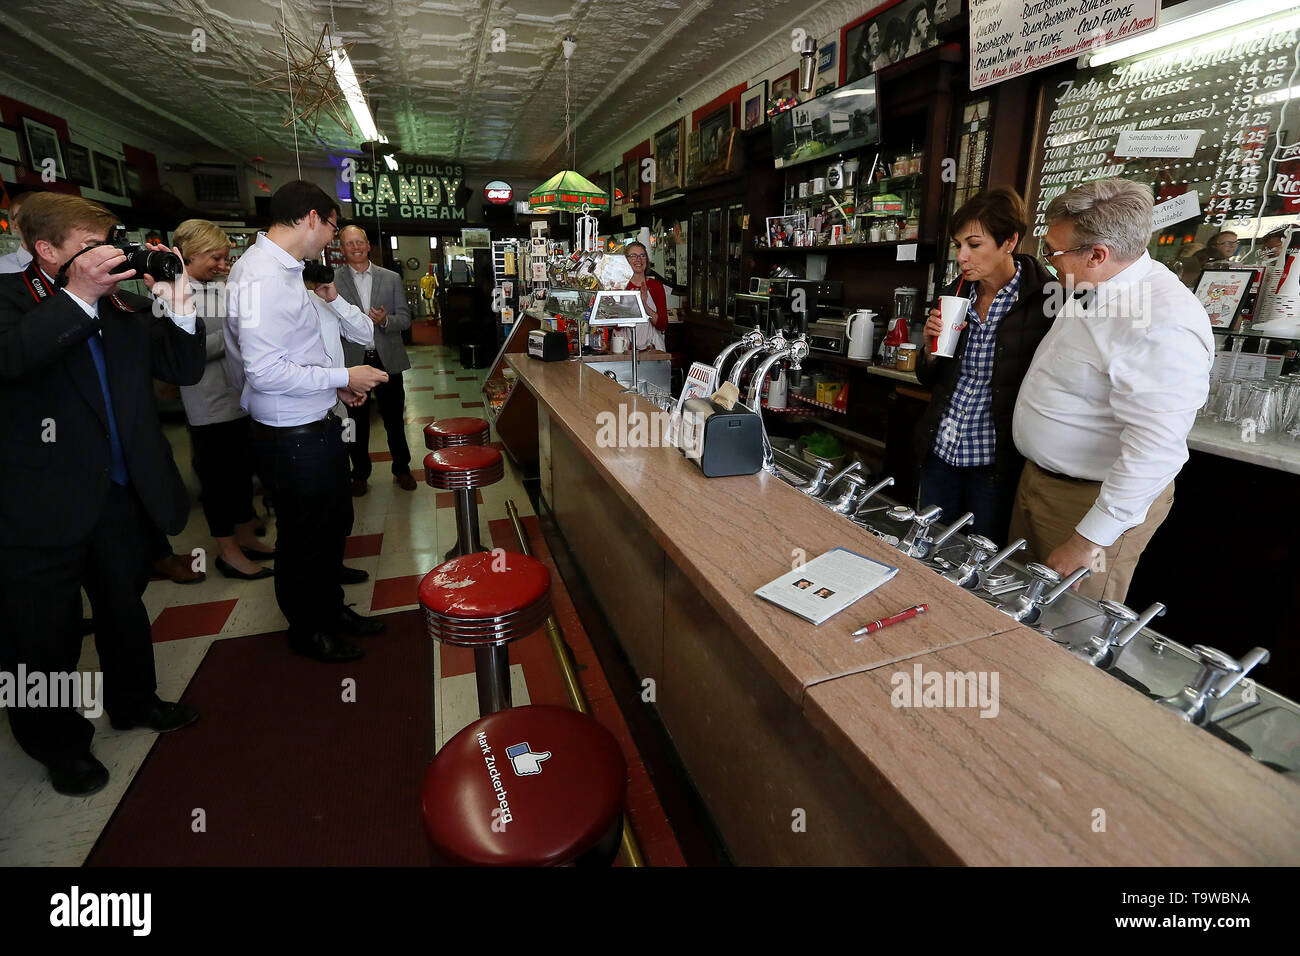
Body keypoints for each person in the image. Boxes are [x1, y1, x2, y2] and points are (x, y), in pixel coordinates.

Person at [0, 193, 205, 795]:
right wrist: (78, 296)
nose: (107, 254)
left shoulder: (120, 302)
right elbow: (14, 360)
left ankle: (135, 701)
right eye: (91, 247)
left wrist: (178, 303)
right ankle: (60, 746)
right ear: (47, 251)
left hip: (118, 494)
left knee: (124, 605)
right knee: (43, 635)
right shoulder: (10, 303)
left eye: (108, 240)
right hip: (37, 506)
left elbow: (181, 368)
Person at [1009, 179, 1214, 603]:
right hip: (1040, 484)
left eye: (1053, 252)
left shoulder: (1163, 323)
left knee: (1071, 622)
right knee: (1016, 604)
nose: (1047, 262)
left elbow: (1156, 450)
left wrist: (1088, 541)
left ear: (1098, 255)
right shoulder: (1096, 282)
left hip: (1092, 508)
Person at [223, 181, 388, 664]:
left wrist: (330, 385)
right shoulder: (260, 277)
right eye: (334, 226)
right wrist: (343, 374)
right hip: (290, 436)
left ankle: (332, 611)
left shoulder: (285, 271)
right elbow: (263, 370)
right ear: (312, 218)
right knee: (303, 537)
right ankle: (308, 629)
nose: (334, 238)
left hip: (315, 419)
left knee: (332, 522)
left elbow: (294, 352)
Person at [914, 187, 1059, 543]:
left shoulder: (1047, 298)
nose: (962, 256)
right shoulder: (958, 290)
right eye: (958, 245)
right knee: (929, 546)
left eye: (974, 245)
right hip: (941, 450)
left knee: (980, 559)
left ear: (1009, 241)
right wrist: (930, 350)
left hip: (996, 460)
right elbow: (931, 377)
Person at [170, 219, 275, 580]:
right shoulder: (172, 293)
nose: (220, 264)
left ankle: (246, 536)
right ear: (190, 253)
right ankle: (228, 553)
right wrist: (240, 337)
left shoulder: (215, 286)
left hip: (236, 398)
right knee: (218, 483)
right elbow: (188, 352)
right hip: (208, 405)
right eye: (214, 258)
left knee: (241, 475)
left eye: (224, 257)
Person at [303, 271, 379, 586]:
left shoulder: (320, 300)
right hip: (300, 418)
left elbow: (365, 333)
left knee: (337, 500)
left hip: (333, 407)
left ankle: (334, 566)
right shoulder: (271, 303)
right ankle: (319, 583)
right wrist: (339, 381)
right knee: (311, 511)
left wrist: (334, 298)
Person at [334, 224, 415, 495]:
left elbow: (405, 319)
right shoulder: (333, 282)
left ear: (368, 245)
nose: (356, 247)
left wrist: (385, 320)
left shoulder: (390, 278)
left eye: (360, 242)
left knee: (394, 418)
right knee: (354, 422)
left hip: (387, 359)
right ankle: (359, 473)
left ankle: (402, 468)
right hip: (354, 362)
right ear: (342, 248)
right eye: (349, 243)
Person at [623, 240, 669, 352]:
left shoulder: (656, 286)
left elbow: (662, 325)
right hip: (625, 349)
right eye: (633, 256)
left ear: (647, 260)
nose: (638, 259)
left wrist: (643, 305)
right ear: (626, 260)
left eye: (642, 255)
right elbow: (616, 326)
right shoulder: (620, 286)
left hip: (652, 349)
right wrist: (631, 305)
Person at [0, 189, 38, 273]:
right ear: (14, 225)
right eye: (23, 216)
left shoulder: (68, 262)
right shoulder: (2, 268)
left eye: (39, 214)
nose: (33, 220)